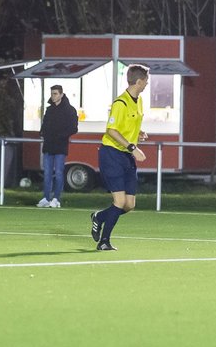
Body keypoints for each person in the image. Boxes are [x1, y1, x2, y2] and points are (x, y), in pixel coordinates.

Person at [91, 64, 150, 251]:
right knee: (119, 202)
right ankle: (104, 242)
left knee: (129, 205)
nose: (147, 84)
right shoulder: (120, 103)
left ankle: (99, 217)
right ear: (139, 81)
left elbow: (127, 124)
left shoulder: (138, 101)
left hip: (125, 155)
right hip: (111, 154)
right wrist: (133, 146)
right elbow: (111, 130)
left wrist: (137, 132)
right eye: (146, 81)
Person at [39, 84, 78, 208]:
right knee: (47, 173)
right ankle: (46, 197)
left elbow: (73, 128)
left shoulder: (69, 110)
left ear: (61, 94)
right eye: (52, 93)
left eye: (55, 93)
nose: (53, 96)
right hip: (49, 145)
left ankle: (56, 198)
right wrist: (43, 133)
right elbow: (45, 124)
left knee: (59, 172)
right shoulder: (49, 110)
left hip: (60, 145)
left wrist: (61, 136)